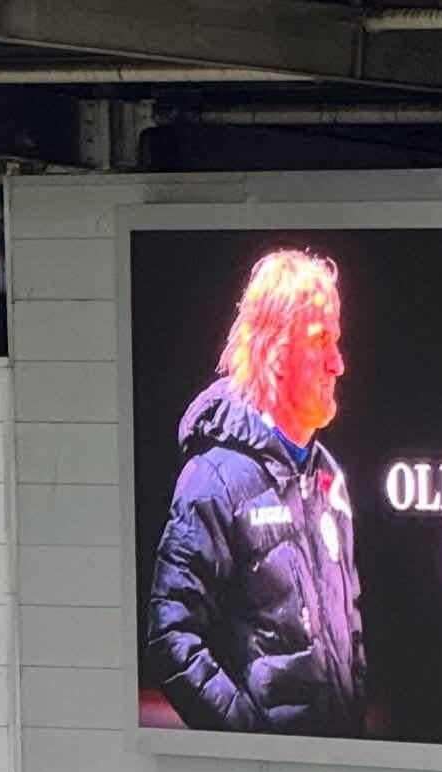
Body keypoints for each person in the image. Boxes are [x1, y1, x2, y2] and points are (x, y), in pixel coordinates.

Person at [146, 248, 365, 737]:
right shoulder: (215, 479)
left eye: (338, 341)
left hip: (338, 767)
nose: (338, 363)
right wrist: (249, 736)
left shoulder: (329, 477)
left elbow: (349, 629)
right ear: (276, 349)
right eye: (320, 342)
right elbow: (170, 636)